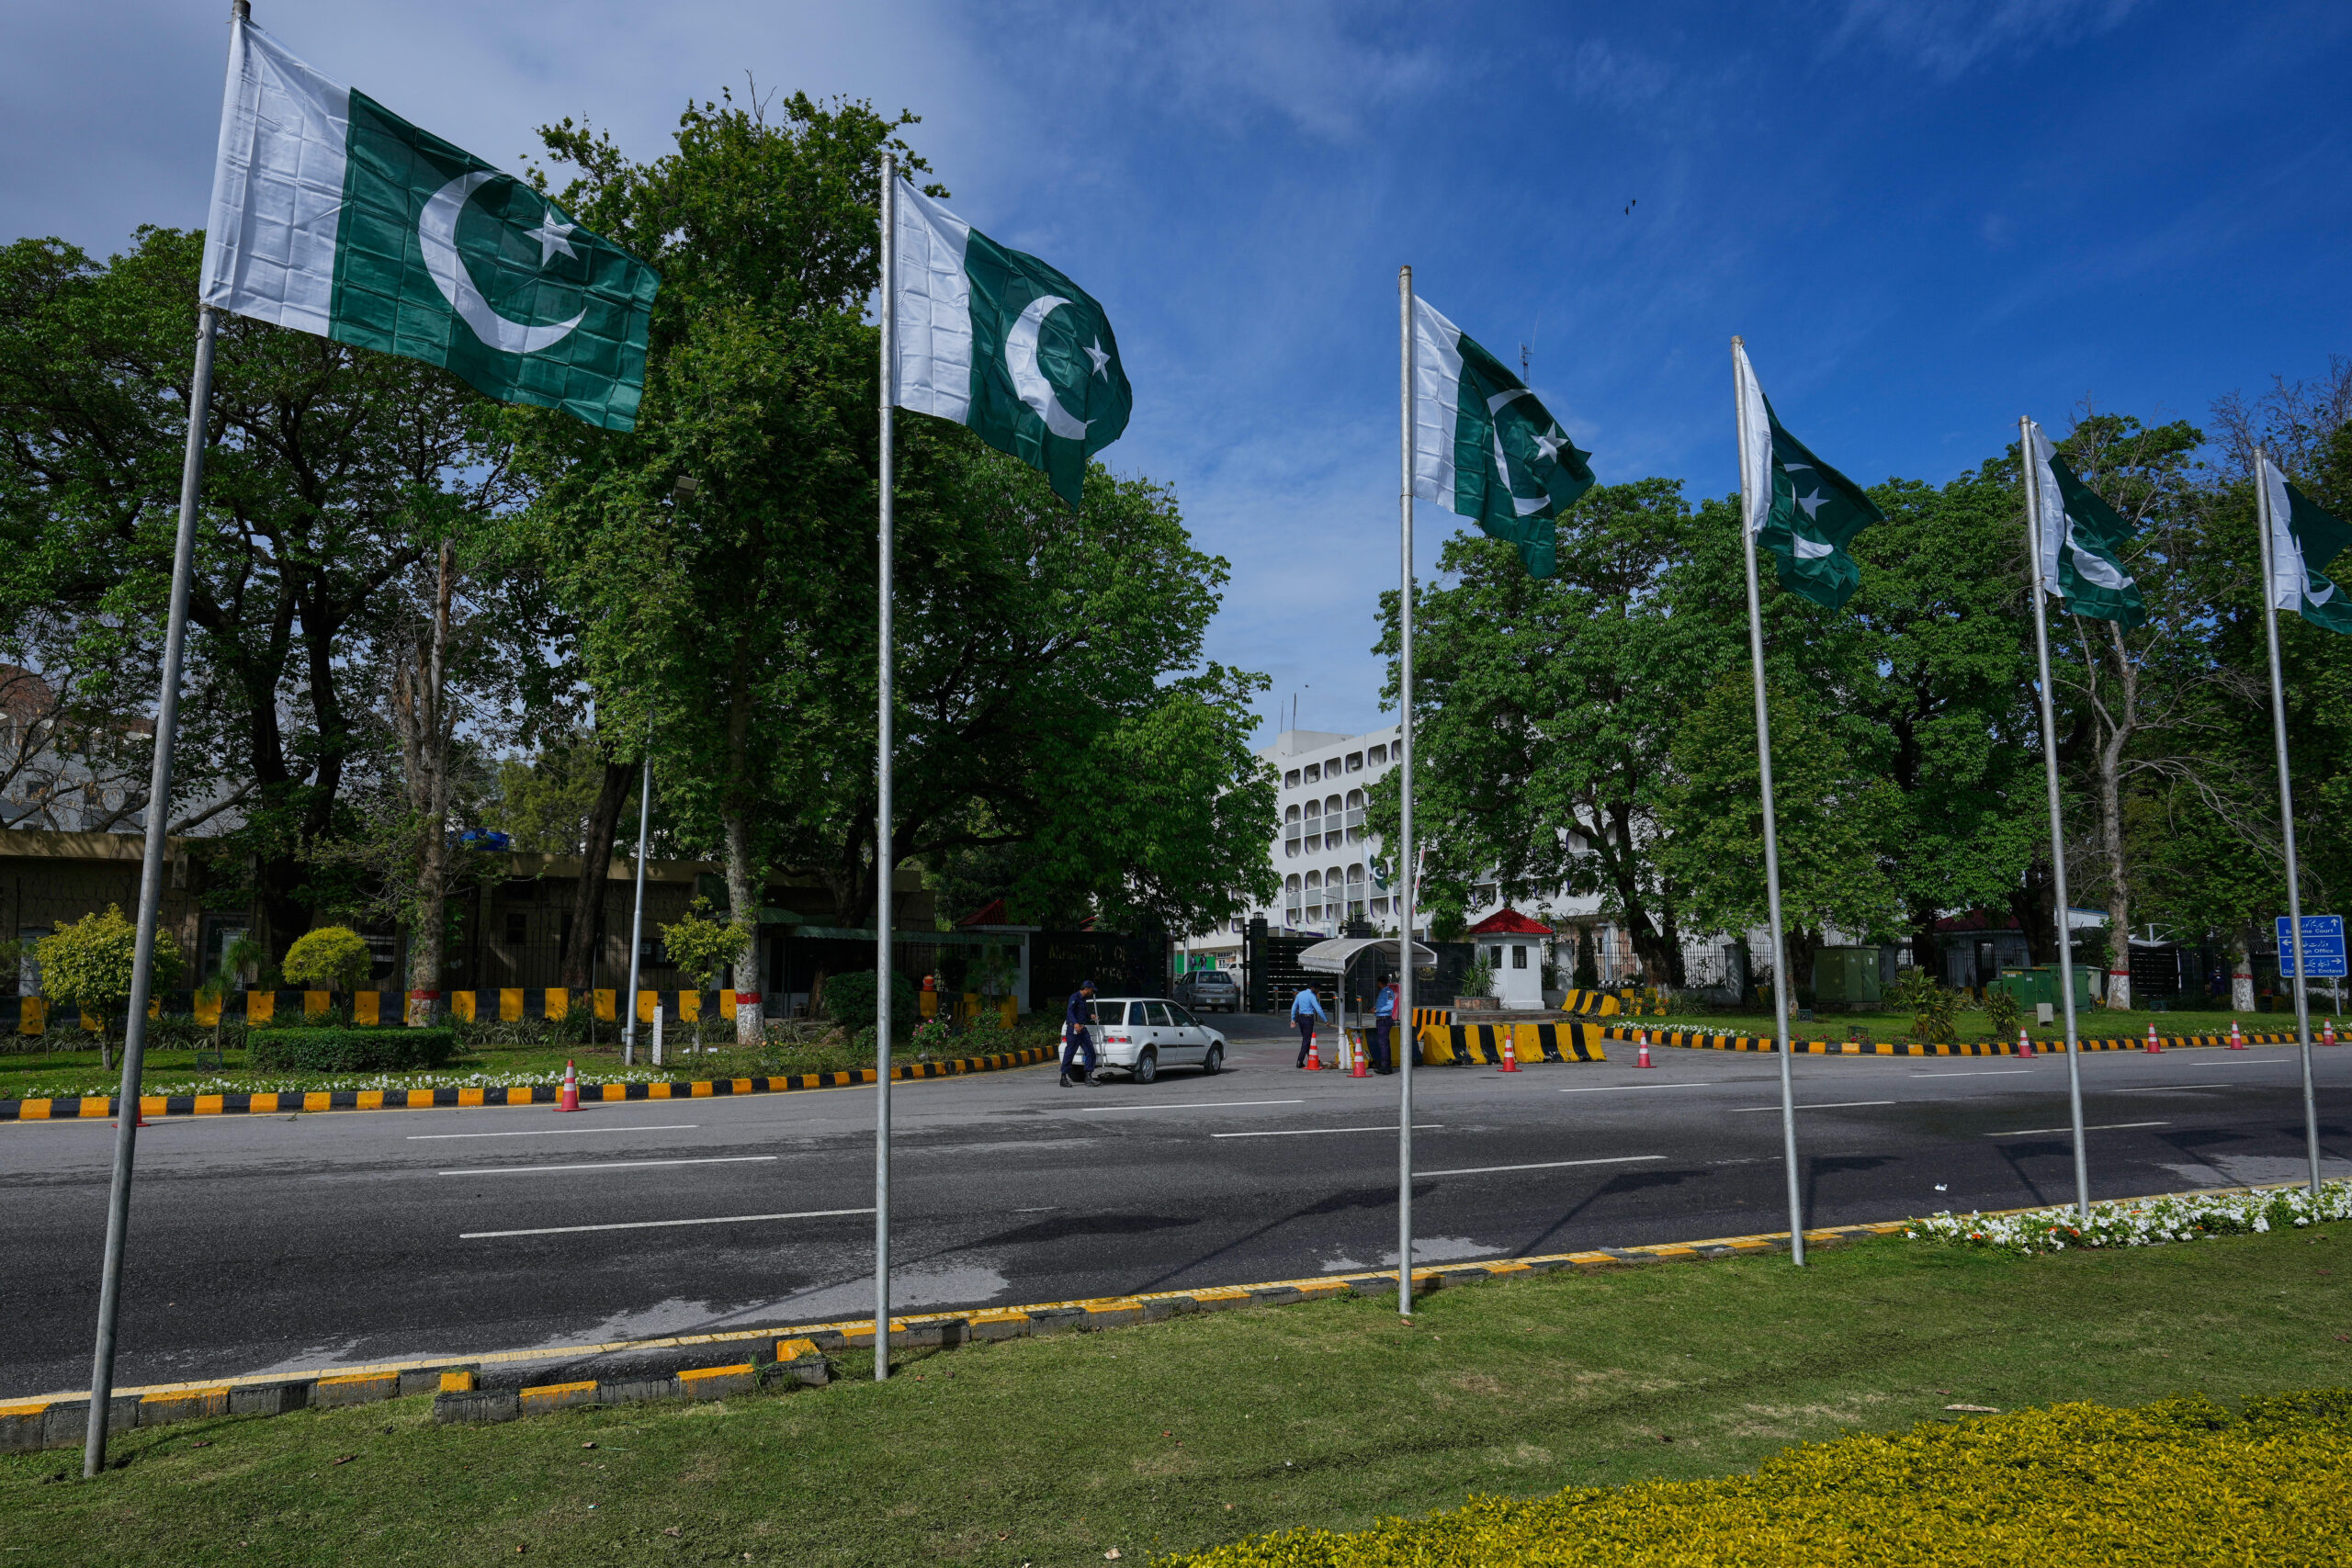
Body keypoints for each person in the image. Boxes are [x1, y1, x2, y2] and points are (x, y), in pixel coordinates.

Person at [1061, 978, 1101, 1088]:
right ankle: (1063, 1078)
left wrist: (1090, 1016)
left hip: (1083, 1030)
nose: (1092, 992)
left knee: (1091, 1052)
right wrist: (1075, 1023)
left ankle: (1088, 1077)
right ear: (1086, 989)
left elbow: (1082, 1012)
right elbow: (1070, 1011)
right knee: (1070, 1053)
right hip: (1074, 1030)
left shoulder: (1083, 999)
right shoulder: (1075, 997)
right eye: (1091, 990)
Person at [1291, 984, 1329, 1068]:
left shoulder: (1300, 994)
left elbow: (1294, 1007)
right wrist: (1326, 1020)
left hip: (1300, 1019)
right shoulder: (1312, 996)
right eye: (1318, 989)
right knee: (1306, 1040)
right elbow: (1318, 1009)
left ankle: (1313, 1059)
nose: (1318, 991)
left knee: (1307, 1040)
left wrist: (1293, 1019)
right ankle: (1300, 1061)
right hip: (1308, 1019)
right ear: (1313, 988)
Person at [1372, 970, 1398, 1074]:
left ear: (1380, 983)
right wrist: (1375, 1009)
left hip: (1384, 1020)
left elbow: (1390, 1006)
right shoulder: (1382, 992)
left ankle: (1385, 1066)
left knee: (1383, 1043)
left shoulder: (1388, 992)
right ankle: (1386, 1064)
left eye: (1377, 983)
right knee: (1384, 1043)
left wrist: (1377, 1010)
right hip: (1381, 1019)